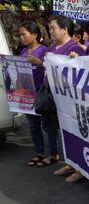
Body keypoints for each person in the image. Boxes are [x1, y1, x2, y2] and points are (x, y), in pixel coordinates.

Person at [48, 16, 85, 179]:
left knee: (77, 130)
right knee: (65, 130)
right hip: (58, 96)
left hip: (72, 100)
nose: (50, 31)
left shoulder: (75, 48)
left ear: (64, 29)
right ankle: (70, 162)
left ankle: (81, 168)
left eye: (53, 28)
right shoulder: (53, 47)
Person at [18, 21, 58, 167]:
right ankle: (39, 153)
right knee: (33, 126)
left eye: (24, 34)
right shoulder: (23, 53)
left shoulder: (44, 50)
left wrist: (39, 63)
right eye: (20, 35)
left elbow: (51, 69)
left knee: (48, 125)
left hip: (42, 95)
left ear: (34, 35)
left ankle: (53, 153)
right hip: (27, 96)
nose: (21, 37)